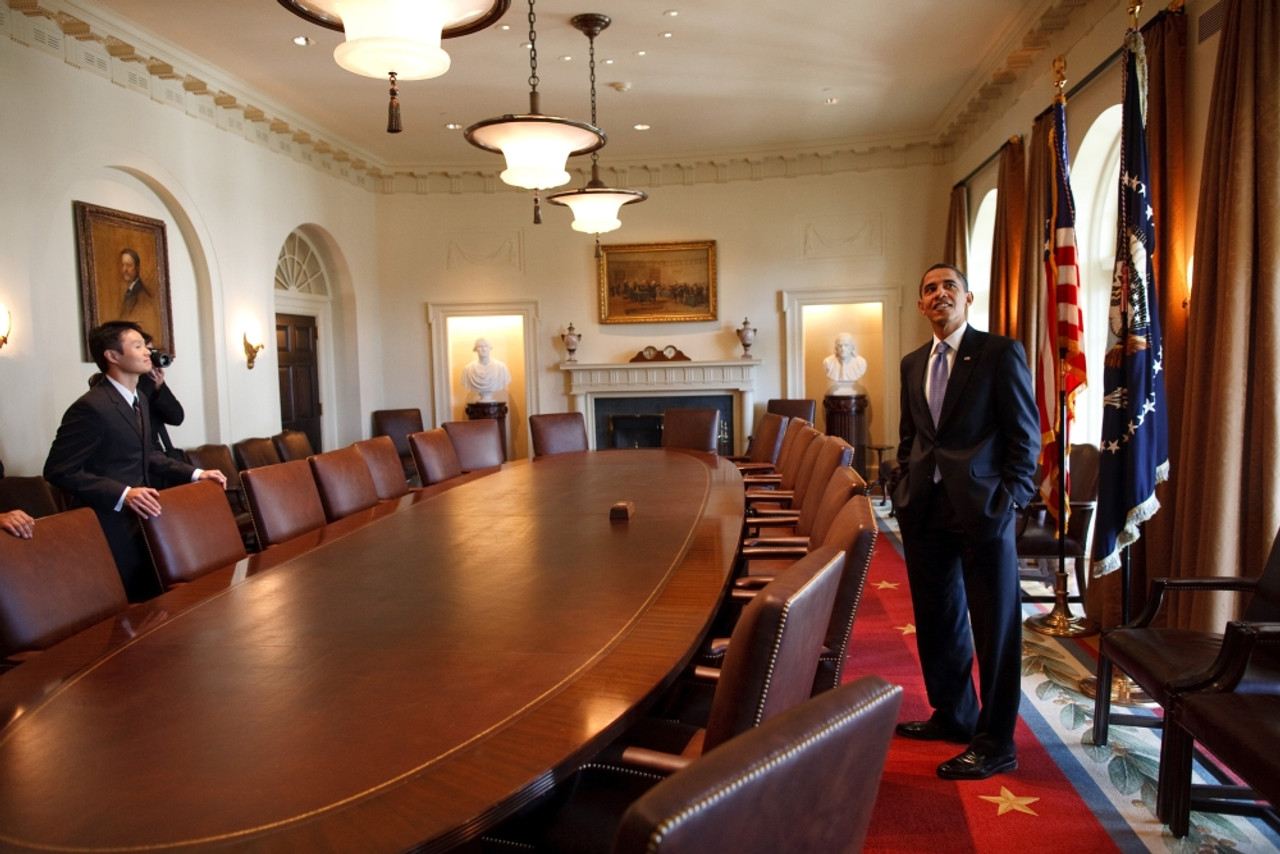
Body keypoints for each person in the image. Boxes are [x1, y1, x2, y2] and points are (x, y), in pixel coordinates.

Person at [890, 263, 1038, 781]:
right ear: (921, 306)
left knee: (995, 627)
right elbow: (911, 436)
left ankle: (996, 742)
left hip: (983, 510)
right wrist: (900, 485)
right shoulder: (912, 363)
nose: (938, 294)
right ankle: (954, 714)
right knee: (938, 617)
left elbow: (1025, 435)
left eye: (948, 286)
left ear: (968, 297)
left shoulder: (999, 353)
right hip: (925, 509)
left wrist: (1010, 499)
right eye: (929, 288)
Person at [44, 320, 226, 601]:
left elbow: (148, 454)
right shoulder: (90, 407)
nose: (147, 353)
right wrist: (123, 493)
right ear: (112, 356)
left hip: (142, 518)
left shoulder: (139, 397)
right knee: (127, 606)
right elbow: (58, 470)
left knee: (157, 600)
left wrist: (195, 474)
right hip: (107, 524)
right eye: (138, 345)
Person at [118, 248, 153, 319]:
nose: (125, 270)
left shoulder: (142, 295)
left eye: (129, 265)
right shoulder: (129, 291)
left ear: (137, 268)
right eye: (123, 265)